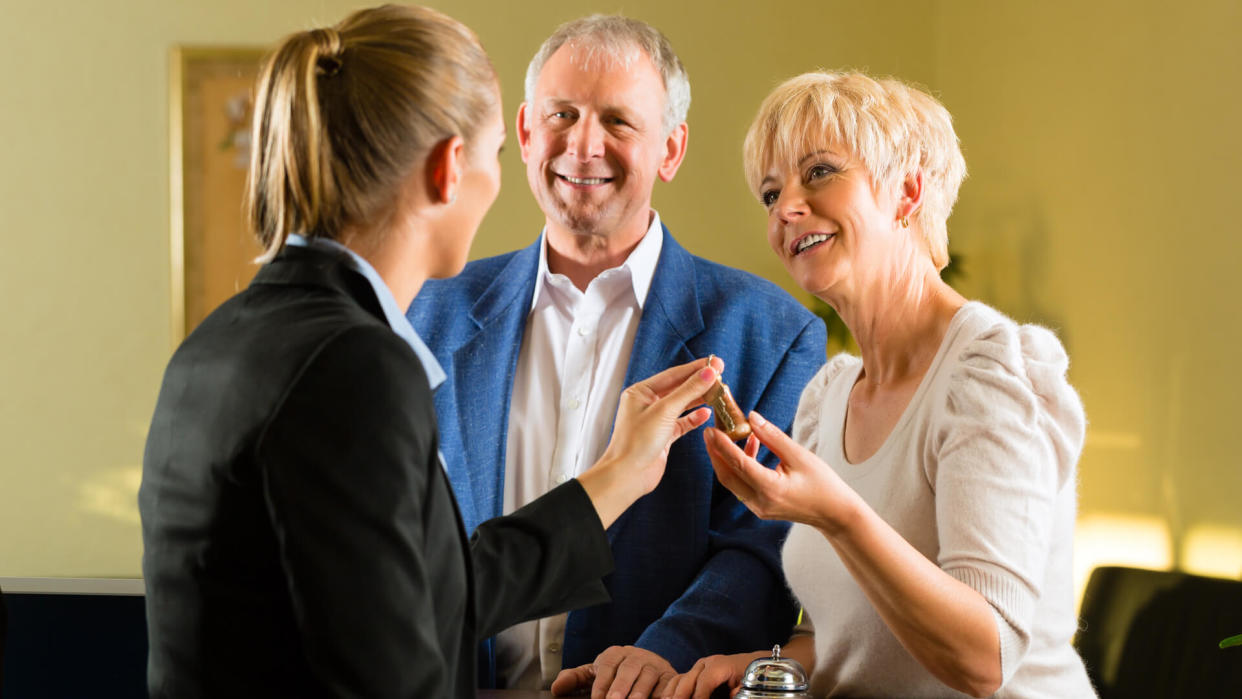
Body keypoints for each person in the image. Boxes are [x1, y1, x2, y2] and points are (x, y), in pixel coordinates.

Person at [138, 6, 724, 697]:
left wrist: (616, 476)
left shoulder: (224, 337)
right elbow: (394, 671)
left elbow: (413, 591)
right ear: (450, 168)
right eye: (498, 157)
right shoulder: (356, 363)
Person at [407, 14, 827, 698]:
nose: (583, 144)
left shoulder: (770, 332)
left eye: (618, 121)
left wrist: (661, 652)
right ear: (523, 132)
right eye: (562, 114)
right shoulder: (429, 311)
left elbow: (763, 549)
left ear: (671, 148)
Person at [665, 71, 1095, 698]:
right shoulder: (827, 397)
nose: (787, 207)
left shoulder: (988, 374)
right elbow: (846, 636)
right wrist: (766, 661)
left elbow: (985, 658)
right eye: (769, 193)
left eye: (819, 173)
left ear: (907, 192)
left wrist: (836, 515)